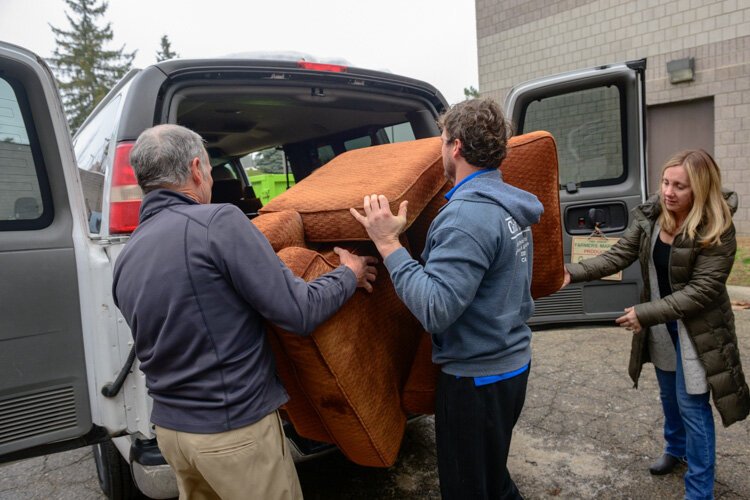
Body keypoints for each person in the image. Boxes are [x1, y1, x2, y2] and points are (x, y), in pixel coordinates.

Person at [112, 124, 377, 500]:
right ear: (196, 169)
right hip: (234, 434)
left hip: (173, 435)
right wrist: (347, 275)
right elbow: (298, 311)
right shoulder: (218, 222)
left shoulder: (127, 256)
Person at [350, 98, 543, 499]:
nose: (439, 149)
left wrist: (388, 244)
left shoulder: (466, 217)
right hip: (510, 365)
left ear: (455, 147)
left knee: (469, 490)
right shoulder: (505, 205)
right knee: (494, 480)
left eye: (440, 140)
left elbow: (436, 310)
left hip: (476, 380)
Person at [562, 149, 750, 500]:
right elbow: (618, 255)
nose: (668, 192)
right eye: (665, 182)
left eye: (680, 186)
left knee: (692, 405)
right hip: (664, 324)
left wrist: (643, 314)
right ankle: (675, 450)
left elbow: (700, 292)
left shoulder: (717, 228)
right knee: (669, 396)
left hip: (698, 331)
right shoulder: (653, 215)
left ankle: (699, 491)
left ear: (700, 189)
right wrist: (569, 274)